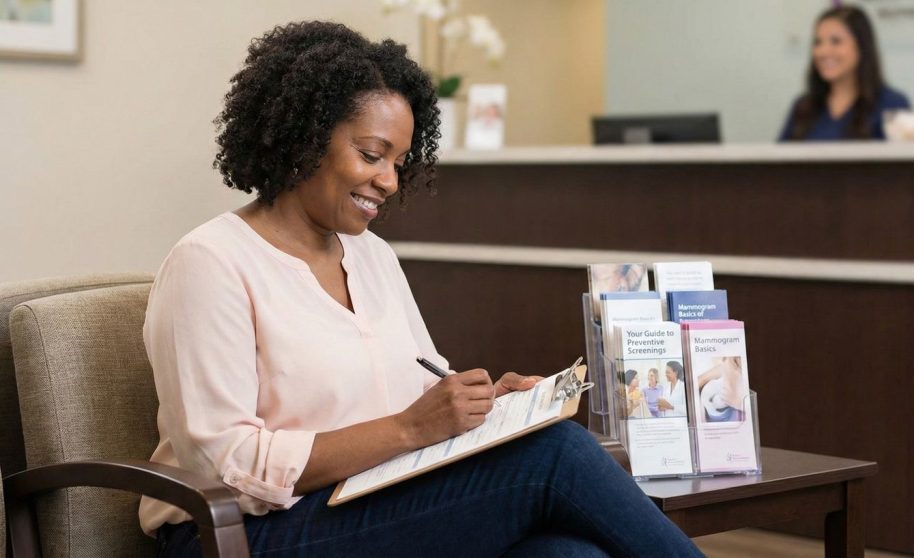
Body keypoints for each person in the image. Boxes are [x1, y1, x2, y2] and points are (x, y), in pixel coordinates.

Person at [140, 21, 704, 557]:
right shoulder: (209, 264)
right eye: (370, 154)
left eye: (399, 161)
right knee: (556, 456)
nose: (389, 180)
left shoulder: (373, 257)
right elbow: (227, 464)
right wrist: (411, 427)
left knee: (569, 554)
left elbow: (422, 388)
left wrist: (485, 409)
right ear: (303, 140)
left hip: (362, 503)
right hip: (242, 536)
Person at [778, 5, 910, 141]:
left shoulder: (892, 104)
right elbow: (778, 160)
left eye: (836, 41)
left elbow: (904, 160)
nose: (823, 52)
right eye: (818, 42)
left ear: (861, 47)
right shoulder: (802, 107)